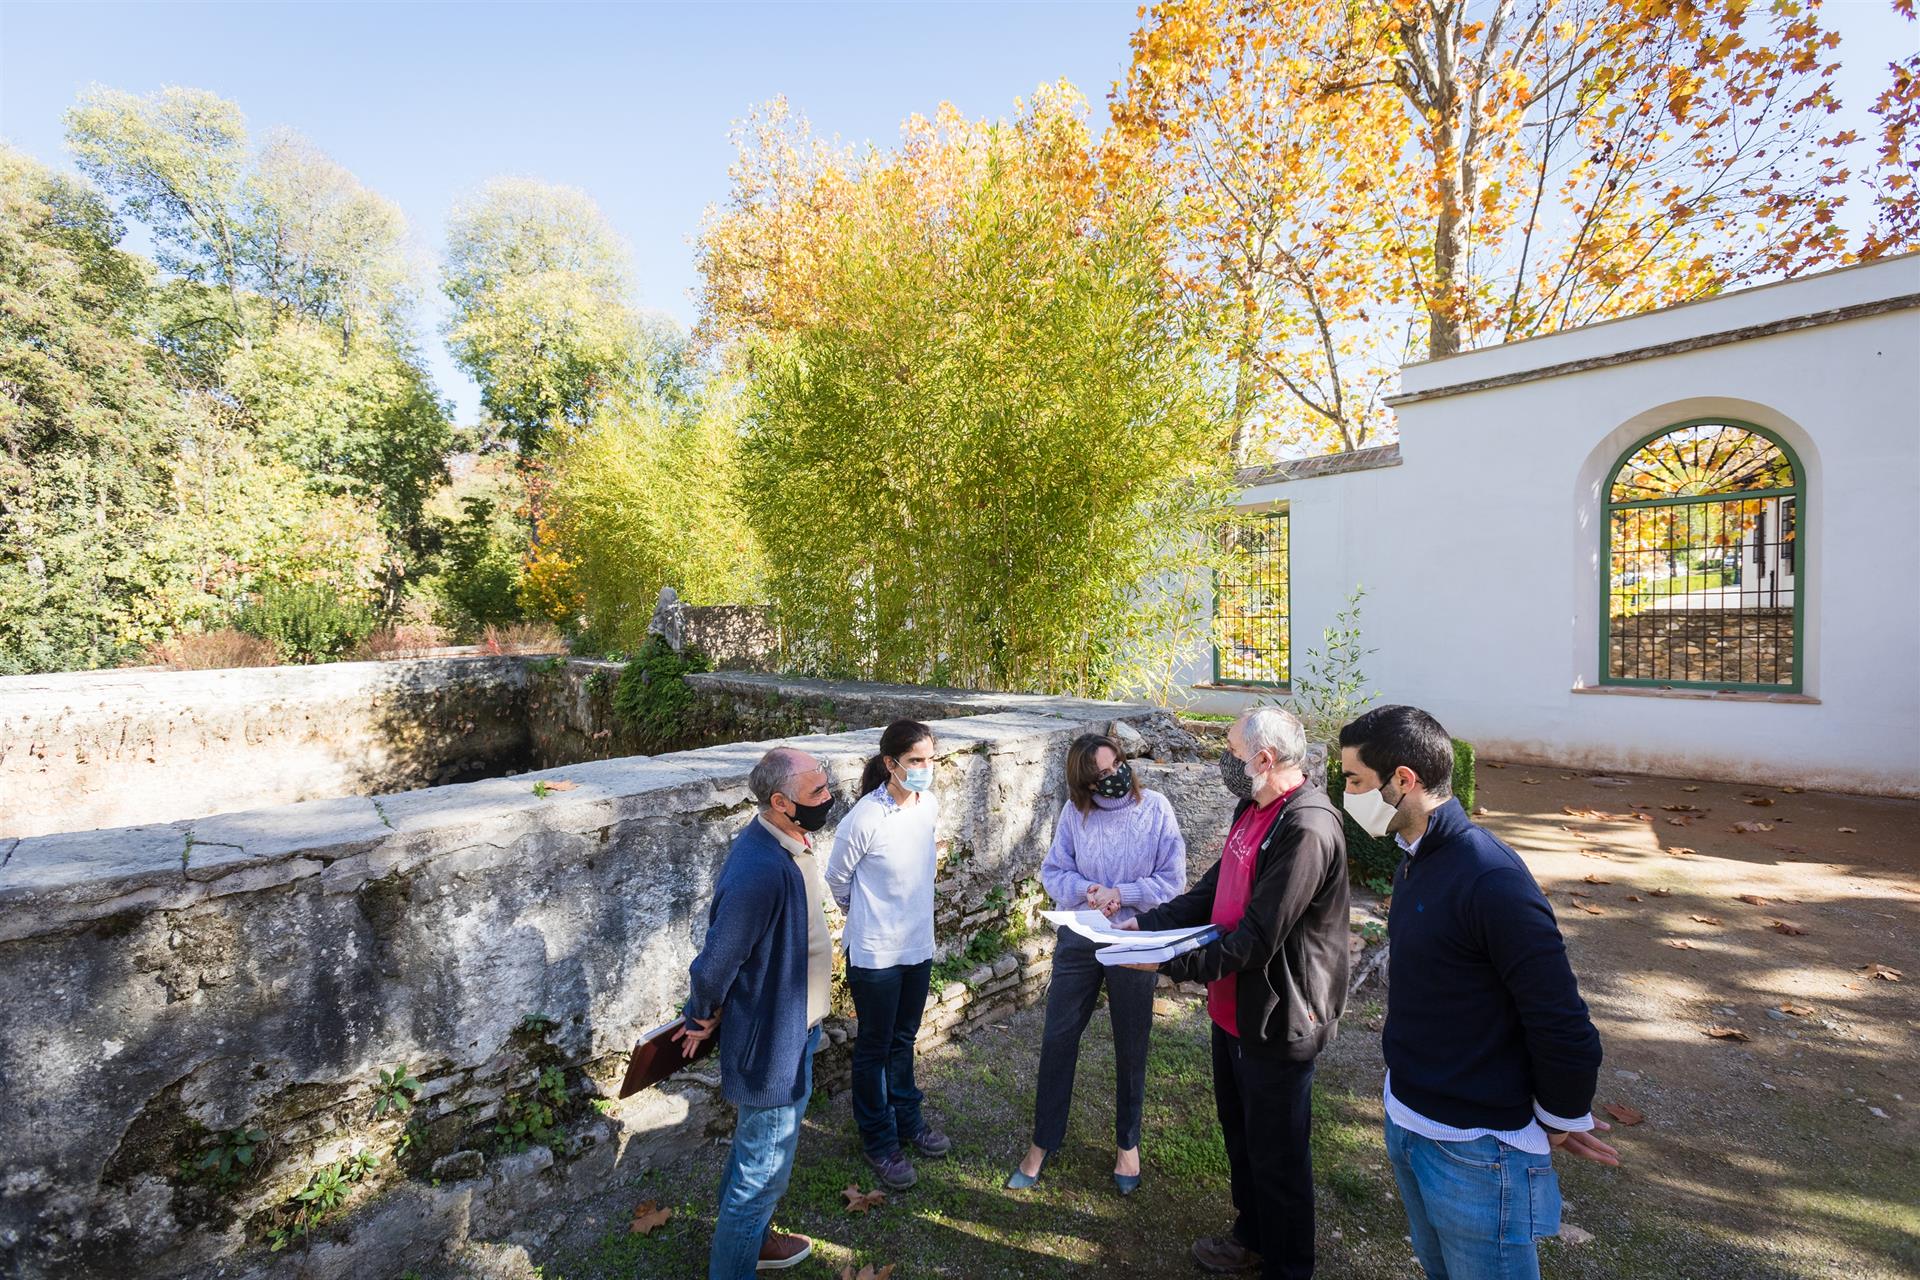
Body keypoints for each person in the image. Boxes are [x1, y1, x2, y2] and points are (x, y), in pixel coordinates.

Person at [1338, 705, 1618, 1280]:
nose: (1347, 794)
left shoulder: (1490, 877)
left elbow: (1561, 1017)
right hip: (1409, 1119)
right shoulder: (1413, 862)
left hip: (1477, 1150)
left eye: (1355, 780)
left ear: (1404, 780)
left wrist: (1561, 1115)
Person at [1123, 706, 1348, 1279]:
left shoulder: (1306, 827)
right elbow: (1211, 890)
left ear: (1265, 758)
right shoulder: (1252, 807)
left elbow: (1257, 939)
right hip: (1235, 1010)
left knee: (1279, 1154)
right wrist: (1145, 927)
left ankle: (1289, 1265)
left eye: (1232, 753)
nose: (1226, 762)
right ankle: (1251, 1236)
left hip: (1279, 1014)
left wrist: (1170, 963)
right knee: (1242, 1134)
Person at [678, 746, 837, 1277]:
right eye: (816, 793)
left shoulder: (786, 842)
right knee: (763, 1169)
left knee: (758, 1152)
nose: (828, 798)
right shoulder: (761, 868)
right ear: (779, 802)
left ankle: (752, 1241)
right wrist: (701, 1011)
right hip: (774, 1042)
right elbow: (716, 960)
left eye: (825, 785)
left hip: (795, 1030)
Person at [1006, 732, 1187, 1196]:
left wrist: (1121, 895)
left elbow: (1172, 880)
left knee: (1131, 1042)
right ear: (1084, 783)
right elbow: (1054, 871)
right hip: (1081, 937)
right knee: (1058, 1037)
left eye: (1117, 765)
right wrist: (1088, 892)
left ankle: (1128, 1145)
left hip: (1133, 940)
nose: (1115, 777)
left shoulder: (1156, 809)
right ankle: (1042, 1142)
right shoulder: (1074, 814)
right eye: (1102, 774)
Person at [825, 719, 951, 1191]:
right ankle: (878, 1140)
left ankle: (908, 1121)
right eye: (915, 761)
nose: (924, 769)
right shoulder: (865, 817)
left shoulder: (929, 805)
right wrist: (869, 919)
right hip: (875, 955)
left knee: (904, 1038)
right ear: (890, 764)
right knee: (874, 1046)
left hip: (918, 946)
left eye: (929, 760)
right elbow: (838, 880)